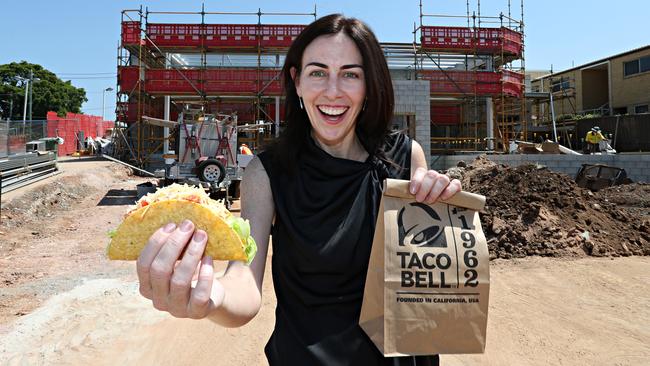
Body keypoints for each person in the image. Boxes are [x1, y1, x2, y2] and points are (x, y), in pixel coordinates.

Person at [135, 14, 461, 365]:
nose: (333, 90)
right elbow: (244, 281)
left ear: (369, 85)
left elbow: (430, 281)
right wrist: (211, 296)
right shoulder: (267, 172)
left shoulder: (405, 157)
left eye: (350, 74)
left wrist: (443, 214)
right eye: (318, 72)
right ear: (298, 81)